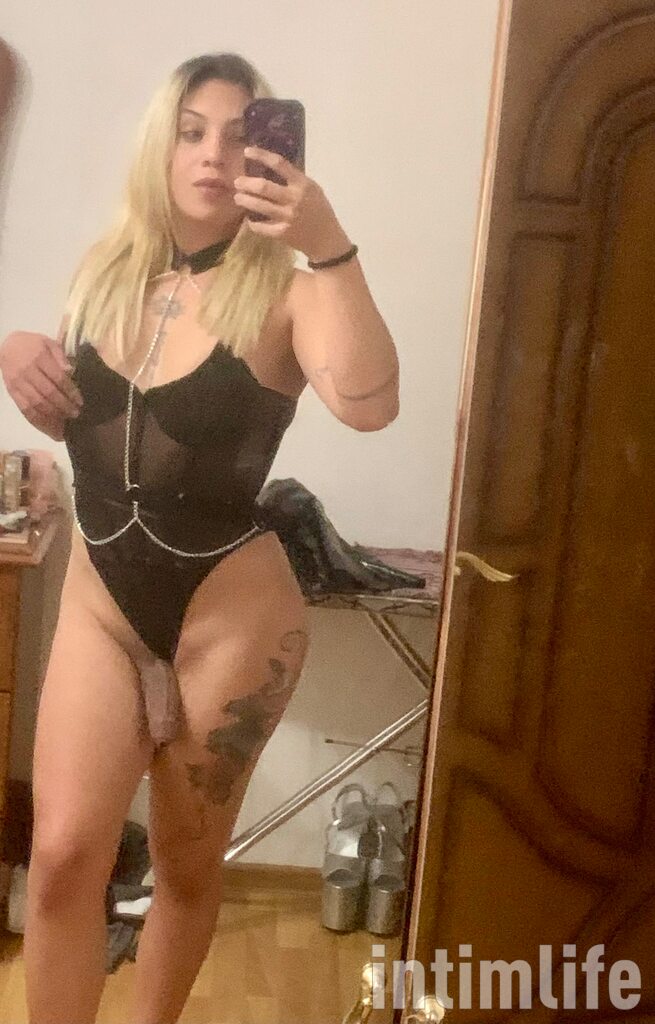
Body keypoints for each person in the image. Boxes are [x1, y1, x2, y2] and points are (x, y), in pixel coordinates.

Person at [0, 51, 399, 1024]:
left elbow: (369, 404)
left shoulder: (291, 291)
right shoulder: (103, 272)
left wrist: (330, 246)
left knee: (183, 863)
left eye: (240, 136)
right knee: (61, 857)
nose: (214, 154)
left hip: (229, 621)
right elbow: (85, 428)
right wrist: (15, 352)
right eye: (192, 132)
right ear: (162, 147)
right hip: (101, 609)